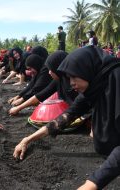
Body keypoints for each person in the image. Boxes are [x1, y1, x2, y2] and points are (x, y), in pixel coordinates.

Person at [13, 46, 120, 190]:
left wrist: (91, 184)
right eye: (69, 78)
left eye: (74, 76)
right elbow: (65, 117)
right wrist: (27, 139)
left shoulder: (116, 81)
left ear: (87, 69)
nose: (71, 83)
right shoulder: (95, 85)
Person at [9, 50, 78, 115]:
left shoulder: (77, 83)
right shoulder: (59, 80)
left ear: (58, 68)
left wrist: (20, 103)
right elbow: (42, 94)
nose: (49, 72)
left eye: (51, 69)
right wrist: (19, 107)